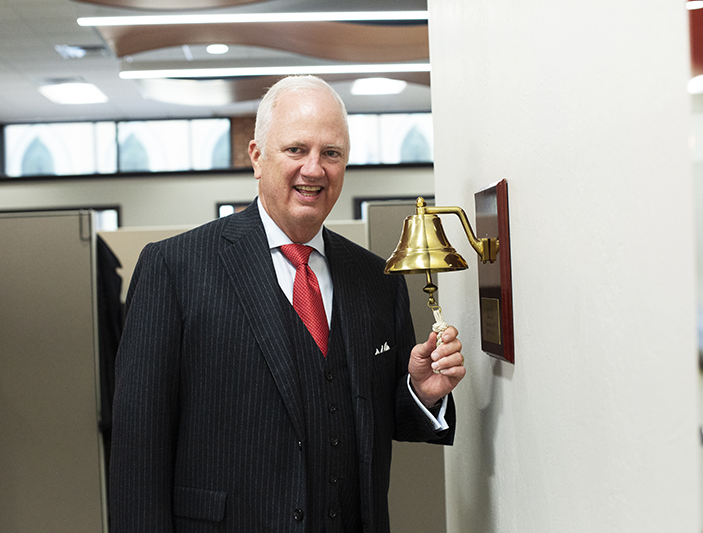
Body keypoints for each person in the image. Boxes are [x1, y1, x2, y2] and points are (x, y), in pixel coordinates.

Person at [109, 75, 466, 533]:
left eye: (331, 153)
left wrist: (420, 392)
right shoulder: (174, 269)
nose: (314, 169)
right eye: (296, 149)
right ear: (257, 157)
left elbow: (375, 420)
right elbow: (139, 451)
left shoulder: (378, 280)